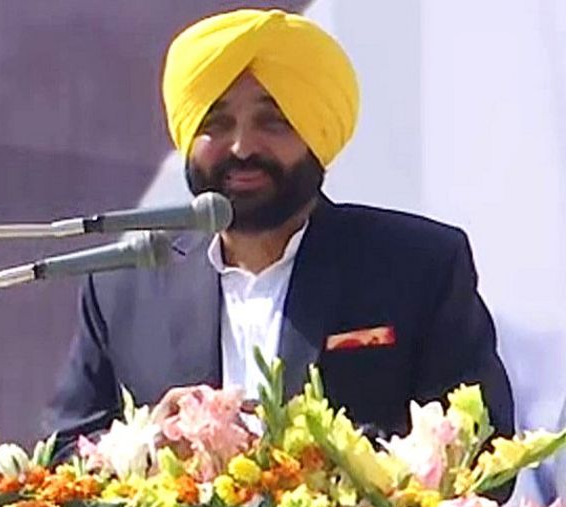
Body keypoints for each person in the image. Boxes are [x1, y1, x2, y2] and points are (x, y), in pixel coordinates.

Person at [42, 9, 515, 464]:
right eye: (215, 124)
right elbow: (60, 456)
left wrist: (317, 460)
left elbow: (484, 452)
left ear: (315, 134)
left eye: (274, 122)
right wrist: (145, 448)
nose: (243, 147)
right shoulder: (124, 284)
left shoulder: (418, 266)